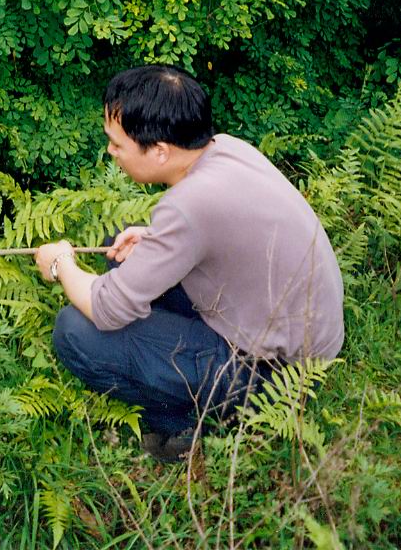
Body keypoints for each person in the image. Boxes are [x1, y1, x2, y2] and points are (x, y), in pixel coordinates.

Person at [34, 65, 344, 461]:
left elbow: (107, 309)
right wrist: (152, 239)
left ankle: (182, 421)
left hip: (277, 374)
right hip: (298, 332)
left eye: (117, 144)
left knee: (76, 331)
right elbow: (228, 230)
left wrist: (61, 263)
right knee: (120, 248)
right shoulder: (227, 149)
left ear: (160, 150)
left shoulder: (188, 207)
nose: (110, 152)